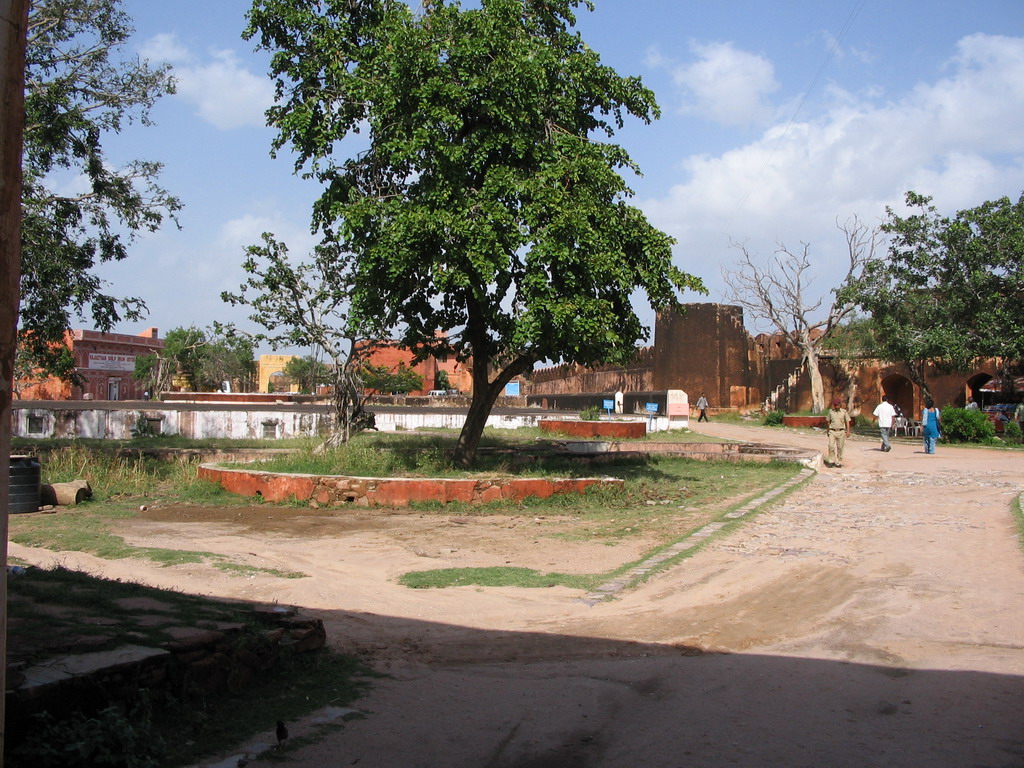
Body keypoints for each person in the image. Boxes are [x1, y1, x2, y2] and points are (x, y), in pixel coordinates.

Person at [825, 396, 851, 467]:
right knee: (831, 446)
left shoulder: (844, 412)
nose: (837, 406)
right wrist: (828, 430)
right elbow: (828, 421)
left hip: (841, 431)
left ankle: (839, 461)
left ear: (840, 405)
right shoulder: (831, 412)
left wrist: (848, 431)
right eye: (835, 405)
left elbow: (847, 421)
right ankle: (831, 460)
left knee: (840, 447)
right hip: (832, 431)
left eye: (838, 405)